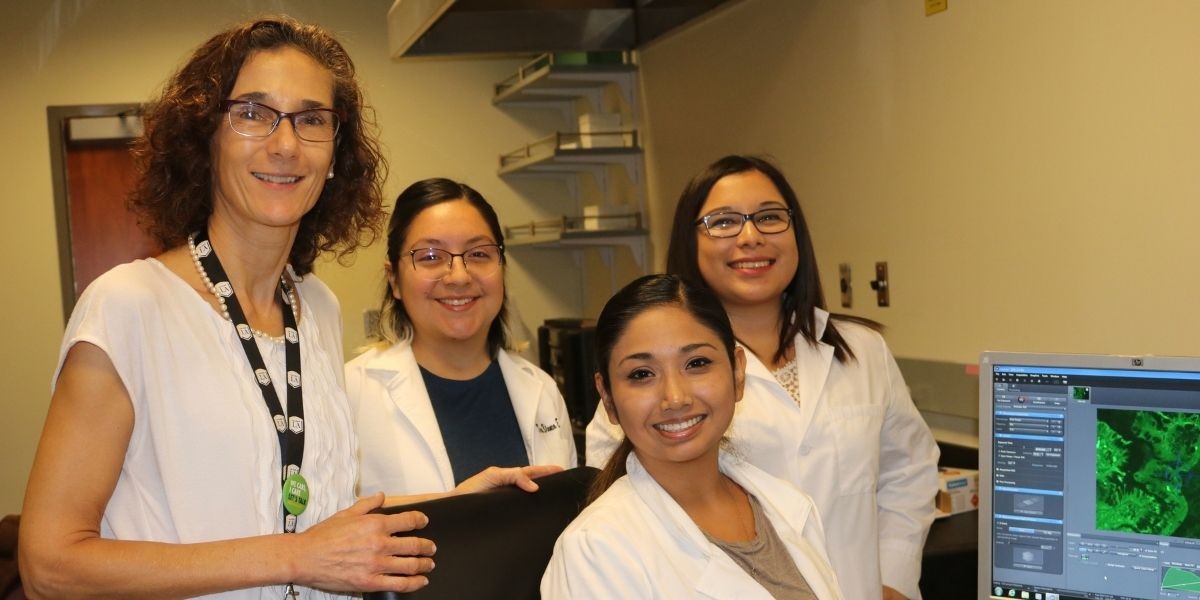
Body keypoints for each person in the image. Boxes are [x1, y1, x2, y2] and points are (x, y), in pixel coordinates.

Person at [20, 18, 552, 600]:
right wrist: (295, 558)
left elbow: (311, 509)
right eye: (252, 112)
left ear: (335, 153)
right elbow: (51, 566)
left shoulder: (314, 306)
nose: (285, 143)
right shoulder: (129, 308)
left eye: (312, 119)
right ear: (206, 137)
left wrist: (459, 498)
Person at [586, 155, 940, 600]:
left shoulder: (862, 349)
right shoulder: (656, 378)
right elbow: (619, 503)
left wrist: (894, 583)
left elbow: (909, 472)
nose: (750, 237)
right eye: (723, 222)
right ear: (689, 242)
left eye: (770, 217)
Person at [543, 274, 843, 599]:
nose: (675, 397)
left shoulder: (788, 506)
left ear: (737, 372)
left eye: (697, 363)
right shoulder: (596, 550)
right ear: (608, 397)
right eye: (642, 374)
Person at [346, 178, 577, 497]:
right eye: (430, 256)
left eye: (479, 254)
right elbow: (330, 524)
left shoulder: (542, 390)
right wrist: (454, 505)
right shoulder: (349, 393)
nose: (458, 276)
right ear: (394, 280)